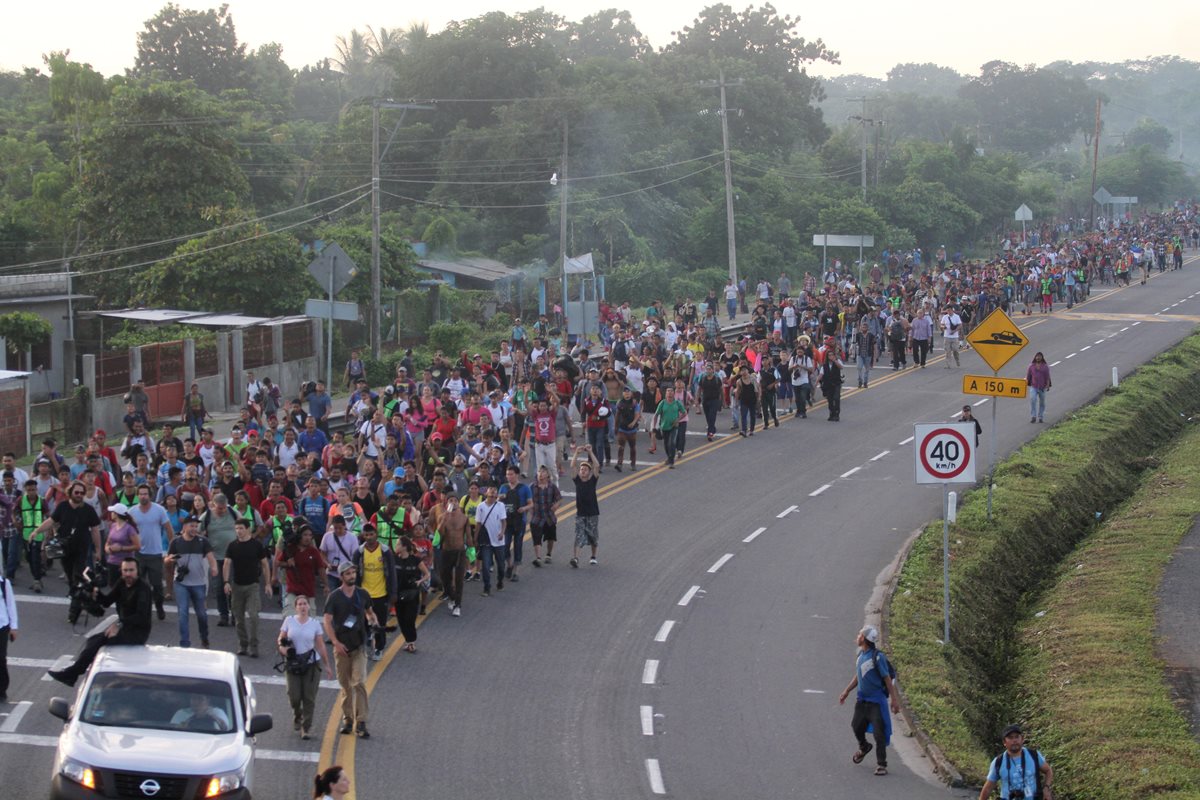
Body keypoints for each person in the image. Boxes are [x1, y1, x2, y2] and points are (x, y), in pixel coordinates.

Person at [48, 557, 153, 687]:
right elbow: (107, 601)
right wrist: (95, 592)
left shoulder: (143, 589)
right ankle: (73, 674)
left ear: (137, 571)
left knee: (101, 641)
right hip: (124, 626)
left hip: (138, 632)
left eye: (131, 570)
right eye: (125, 570)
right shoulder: (121, 583)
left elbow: (141, 616)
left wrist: (119, 625)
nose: (128, 574)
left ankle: (73, 673)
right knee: (93, 640)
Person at [32, 480, 101, 624]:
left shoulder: (88, 510)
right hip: (64, 550)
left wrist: (98, 549)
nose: (80, 495)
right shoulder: (62, 507)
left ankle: (73, 612)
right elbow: (51, 521)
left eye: (82, 493)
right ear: (70, 493)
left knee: (78, 577)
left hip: (81, 550)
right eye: (77, 492)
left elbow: (95, 530)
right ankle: (80, 600)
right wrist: (37, 531)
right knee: (71, 580)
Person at [323, 561, 377, 739]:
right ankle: (347, 719)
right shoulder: (334, 597)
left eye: (353, 573)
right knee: (345, 685)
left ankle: (361, 721)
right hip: (342, 648)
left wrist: (373, 621)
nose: (352, 576)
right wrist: (335, 643)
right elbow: (327, 621)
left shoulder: (362, 594)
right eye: (347, 574)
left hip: (359, 646)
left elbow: (370, 612)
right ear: (341, 577)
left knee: (359, 682)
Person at [838, 625, 900, 777]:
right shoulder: (861, 655)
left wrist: (894, 700)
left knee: (879, 733)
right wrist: (846, 691)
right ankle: (864, 747)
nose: (857, 636)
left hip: (876, 702)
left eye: (860, 634)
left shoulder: (878, 657)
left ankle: (881, 764)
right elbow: (859, 676)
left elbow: (886, 678)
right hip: (862, 701)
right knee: (856, 726)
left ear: (865, 639)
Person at [278, 594, 333, 739]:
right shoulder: (289, 621)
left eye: (305, 604)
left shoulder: (314, 624)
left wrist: (327, 665)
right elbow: (281, 638)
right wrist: (283, 649)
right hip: (293, 663)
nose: (302, 606)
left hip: (310, 664)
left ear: (309, 607)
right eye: (300, 604)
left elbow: (320, 645)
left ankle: (306, 727)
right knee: (294, 695)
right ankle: (297, 715)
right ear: (295, 607)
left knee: (309, 698)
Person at [164, 516, 218, 648]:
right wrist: (170, 560)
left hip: (198, 583)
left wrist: (214, 567)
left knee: (202, 615)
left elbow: (211, 557)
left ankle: (204, 637)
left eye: (196, 526)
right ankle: (185, 643)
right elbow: (166, 560)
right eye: (191, 526)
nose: (194, 529)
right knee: (183, 613)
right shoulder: (176, 542)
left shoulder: (203, 541)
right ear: (184, 527)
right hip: (181, 583)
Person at [223, 519, 271, 658]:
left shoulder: (256, 545)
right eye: (236, 528)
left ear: (248, 529)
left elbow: (264, 564)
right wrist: (226, 582)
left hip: (252, 586)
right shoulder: (232, 546)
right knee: (238, 617)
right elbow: (226, 564)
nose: (238, 531)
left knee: (254, 615)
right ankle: (243, 644)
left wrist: (267, 583)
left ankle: (254, 645)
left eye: (241, 528)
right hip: (237, 585)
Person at [128, 484, 174, 620]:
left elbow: (168, 529)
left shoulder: (159, 510)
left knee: (157, 586)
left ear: (150, 495)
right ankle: (140, 611)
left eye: (145, 494)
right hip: (138, 554)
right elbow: (128, 531)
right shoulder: (132, 512)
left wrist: (172, 548)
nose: (143, 496)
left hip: (155, 554)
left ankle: (159, 606)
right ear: (137, 495)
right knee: (138, 585)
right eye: (141, 494)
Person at [352, 524, 395, 661]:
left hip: (381, 594)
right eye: (366, 535)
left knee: (380, 623)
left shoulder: (385, 551)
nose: (369, 538)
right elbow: (354, 573)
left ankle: (379, 648)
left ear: (376, 534)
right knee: (363, 623)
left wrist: (393, 593)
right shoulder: (359, 552)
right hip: (364, 594)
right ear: (363, 535)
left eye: (371, 534)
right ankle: (365, 645)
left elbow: (392, 573)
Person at [979, 724, 1054, 800]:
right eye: (1010, 738)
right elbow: (988, 788)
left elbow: (1048, 771)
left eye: (1017, 737)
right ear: (1004, 742)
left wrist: (1046, 788)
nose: (1014, 740)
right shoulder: (998, 762)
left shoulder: (1034, 755)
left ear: (1022, 739)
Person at [391, 536, 429, 654]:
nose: (396, 546)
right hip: (399, 594)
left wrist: (419, 581)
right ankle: (408, 641)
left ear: (404, 547)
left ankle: (411, 642)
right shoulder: (394, 559)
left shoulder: (416, 560)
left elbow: (427, 574)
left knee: (410, 619)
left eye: (398, 544)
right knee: (401, 619)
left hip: (412, 594)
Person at [437, 497, 471, 617]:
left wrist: (471, 552)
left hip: (460, 552)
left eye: (455, 501)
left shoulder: (464, 518)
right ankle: (451, 597)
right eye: (450, 500)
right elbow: (439, 534)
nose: (453, 503)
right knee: (445, 578)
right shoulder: (442, 517)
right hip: (446, 551)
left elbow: (468, 536)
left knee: (459, 579)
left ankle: (457, 605)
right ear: (447, 504)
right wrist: (443, 521)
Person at [498, 465, 532, 582]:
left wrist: (524, 508)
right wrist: (499, 498)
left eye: (511, 474)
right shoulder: (503, 487)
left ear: (517, 475)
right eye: (507, 474)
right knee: (505, 545)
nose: (509, 477)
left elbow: (531, 503)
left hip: (519, 521)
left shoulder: (524, 488)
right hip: (506, 522)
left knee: (518, 545)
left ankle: (516, 571)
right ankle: (509, 564)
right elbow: (497, 502)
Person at [570, 446, 600, 567]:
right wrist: (576, 453)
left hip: (592, 513)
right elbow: (572, 466)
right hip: (580, 514)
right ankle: (575, 558)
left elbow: (597, 466)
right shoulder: (577, 481)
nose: (582, 471)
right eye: (581, 469)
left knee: (593, 536)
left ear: (589, 472)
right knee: (578, 535)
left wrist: (591, 452)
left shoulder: (592, 481)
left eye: (585, 469)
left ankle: (593, 556)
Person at [474, 486, 506, 597]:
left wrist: (502, 532)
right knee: (486, 566)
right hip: (486, 541)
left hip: (498, 541)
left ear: (496, 496)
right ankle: (486, 588)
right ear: (486, 494)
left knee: (501, 566)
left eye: (494, 495)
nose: (492, 497)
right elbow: (478, 524)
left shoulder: (500, 506)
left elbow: (504, 521)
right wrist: (475, 538)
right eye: (490, 495)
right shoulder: (480, 507)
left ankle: (500, 581)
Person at [103, 503, 142, 587]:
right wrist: (108, 548)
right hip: (112, 562)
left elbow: (137, 546)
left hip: (125, 564)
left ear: (116, 514)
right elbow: (108, 542)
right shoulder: (113, 526)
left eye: (112, 512)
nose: (111, 514)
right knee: (113, 587)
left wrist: (121, 548)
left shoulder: (129, 528)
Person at [0, 568, 16, 702]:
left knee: (1, 659)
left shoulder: (4, 584)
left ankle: (2, 688)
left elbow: (11, 605)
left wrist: (13, 627)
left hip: (2, 625)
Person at [1026, 352, 1052, 424]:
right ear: (1035, 357)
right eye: (1037, 356)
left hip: (1042, 387)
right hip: (1033, 386)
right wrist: (1025, 383)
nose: (1038, 358)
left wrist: (1047, 385)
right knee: (1033, 400)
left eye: (1039, 356)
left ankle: (1040, 417)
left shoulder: (1045, 366)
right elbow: (1028, 376)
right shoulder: (1031, 366)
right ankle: (1033, 416)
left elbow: (1047, 377)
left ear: (1042, 358)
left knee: (1042, 403)